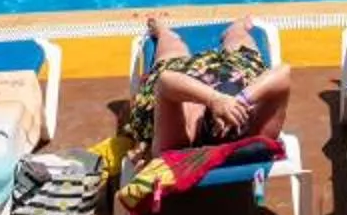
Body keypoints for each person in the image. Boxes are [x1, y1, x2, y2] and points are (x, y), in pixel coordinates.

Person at [123, 13, 294, 161]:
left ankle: (163, 32)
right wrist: (242, 100)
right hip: (235, 74)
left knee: (172, 53)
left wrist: (214, 99)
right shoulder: (256, 134)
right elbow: (283, 73)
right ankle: (236, 29)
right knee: (239, 44)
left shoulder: (178, 143)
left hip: (182, 78)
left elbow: (166, 81)